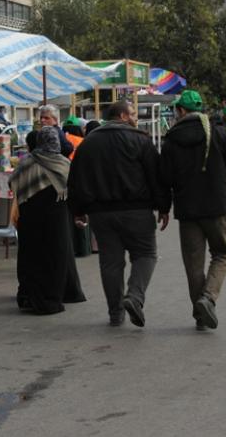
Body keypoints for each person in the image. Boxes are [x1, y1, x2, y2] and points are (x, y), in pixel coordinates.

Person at [68, 100, 170, 327]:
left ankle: (116, 314)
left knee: (110, 263)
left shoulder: (88, 143)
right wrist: (163, 207)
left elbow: (76, 179)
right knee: (146, 255)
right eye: (132, 113)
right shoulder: (140, 140)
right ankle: (134, 297)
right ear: (122, 115)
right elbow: (156, 176)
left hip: (101, 214)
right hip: (137, 210)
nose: (135, 117)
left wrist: (78, 211)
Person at [160, 90, 226, 331]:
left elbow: (164, 178)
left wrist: (163, 208)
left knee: (193, 265)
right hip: (217, 207)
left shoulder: (171, 139)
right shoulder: (219, 132)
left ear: (181, 111)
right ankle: (208, 298)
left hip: (187, 210)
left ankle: (200, 315)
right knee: (221, 254)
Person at [9, 127, 78, 314]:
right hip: (57, 219)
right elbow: (74, 188)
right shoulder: (64, 163)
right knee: (55, 257)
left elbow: (13, 183)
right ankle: (52, 299)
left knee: (32, 257)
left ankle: (31, 298)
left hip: (30, 218)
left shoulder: (26, 163)